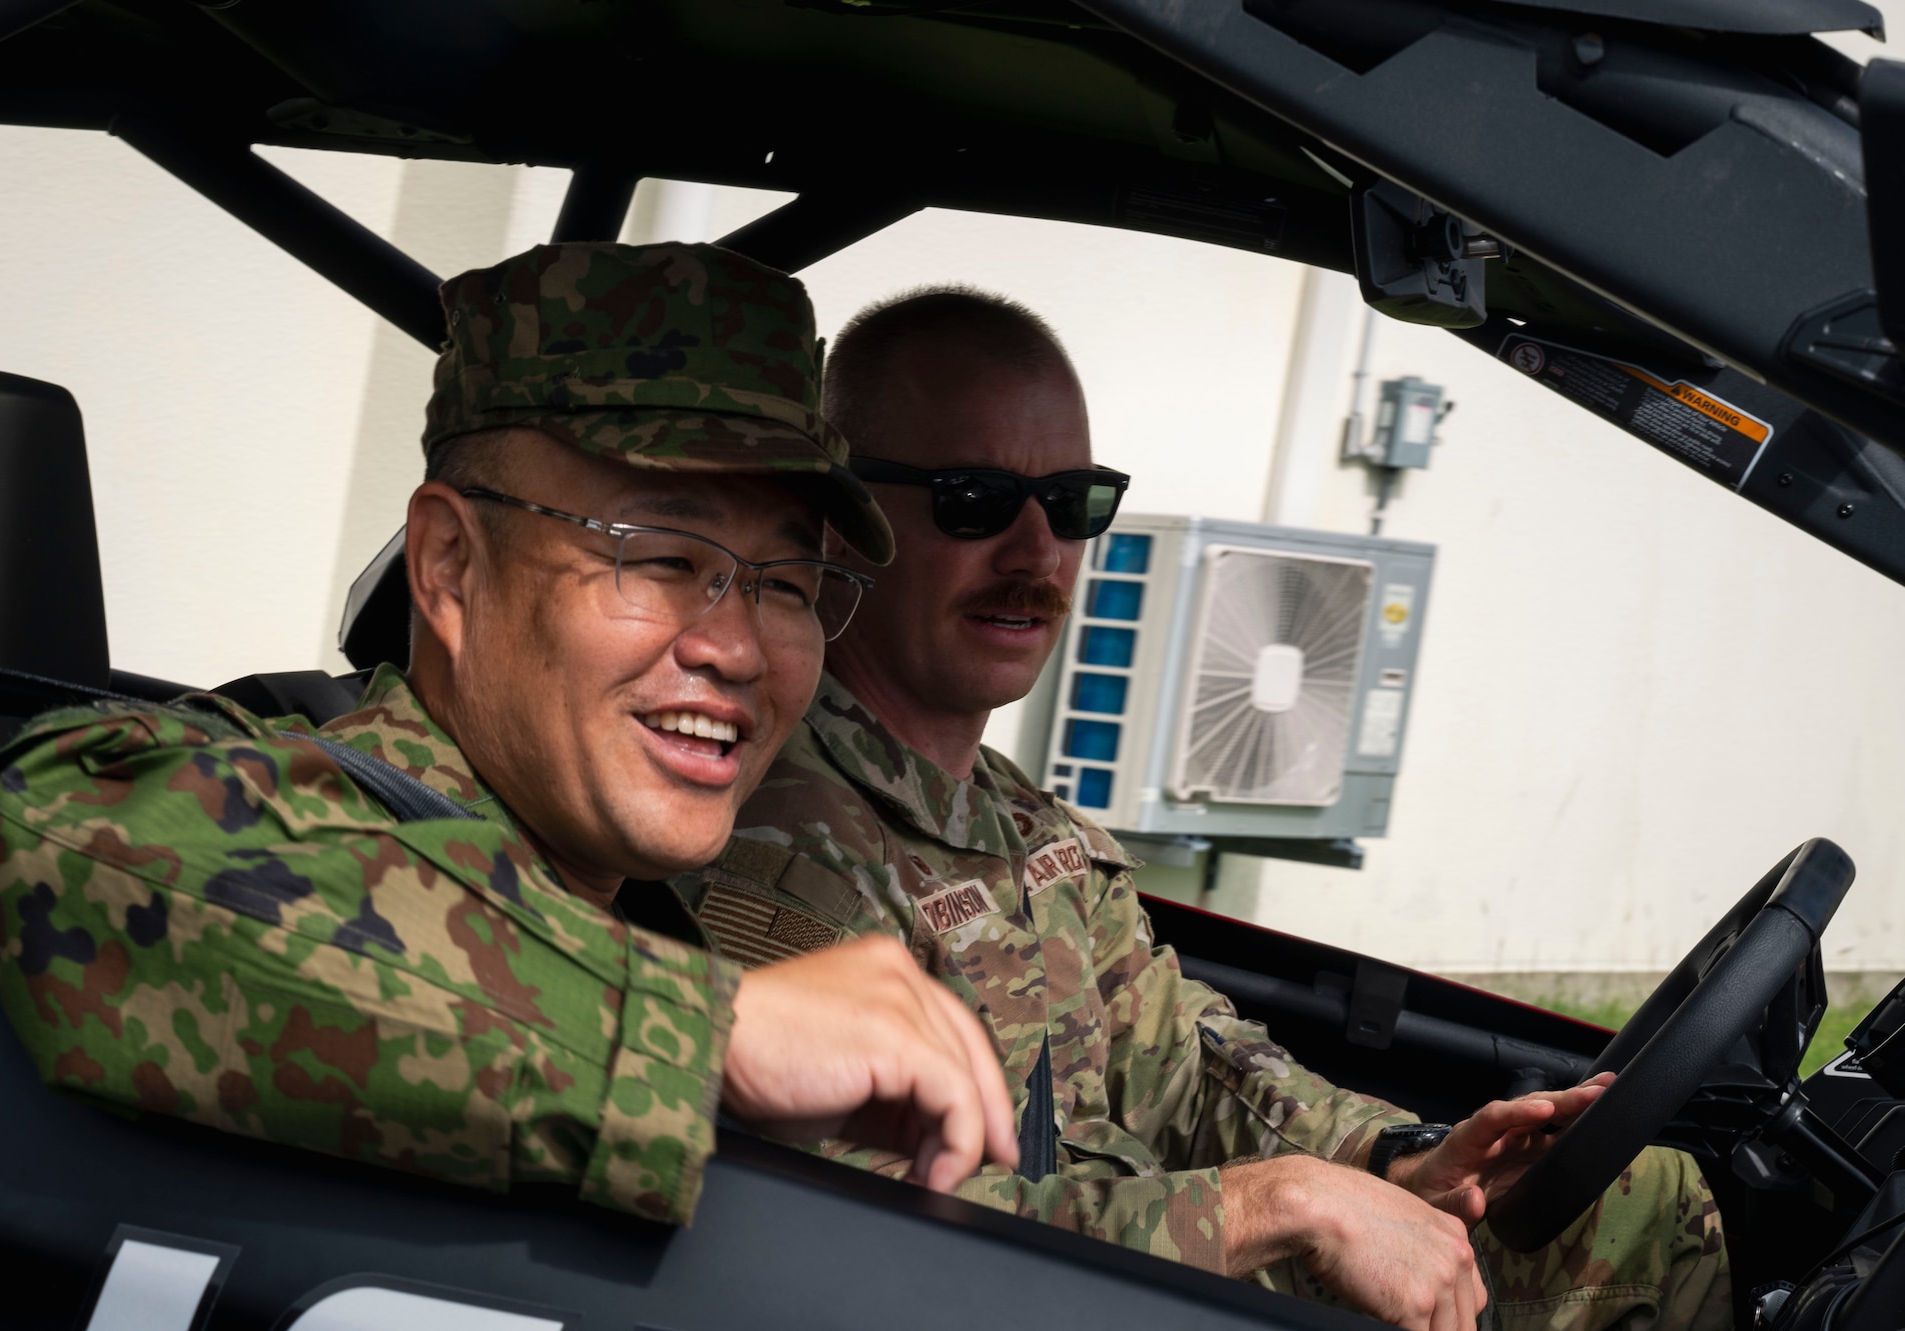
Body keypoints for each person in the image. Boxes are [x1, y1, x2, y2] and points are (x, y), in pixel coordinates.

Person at [670, 286, 1730, 1331]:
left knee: (1643, 1199)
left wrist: (1394, 1155)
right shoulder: (775, 848)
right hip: (1018, 1294)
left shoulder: (1017, 825)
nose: (1035, 552)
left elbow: (1188, 1066)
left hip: (1117, 1265)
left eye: (1073, 503)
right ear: (841, 521)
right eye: (972, 499)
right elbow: (859, 1239)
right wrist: (1274, 1204)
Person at [0, 244, 1016, 1227]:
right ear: (451, 566)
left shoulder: (678, 918)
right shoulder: (292, 806)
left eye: (785, 583)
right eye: (657, 558)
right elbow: (70, 839)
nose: (735, 646)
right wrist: (706, 1034)